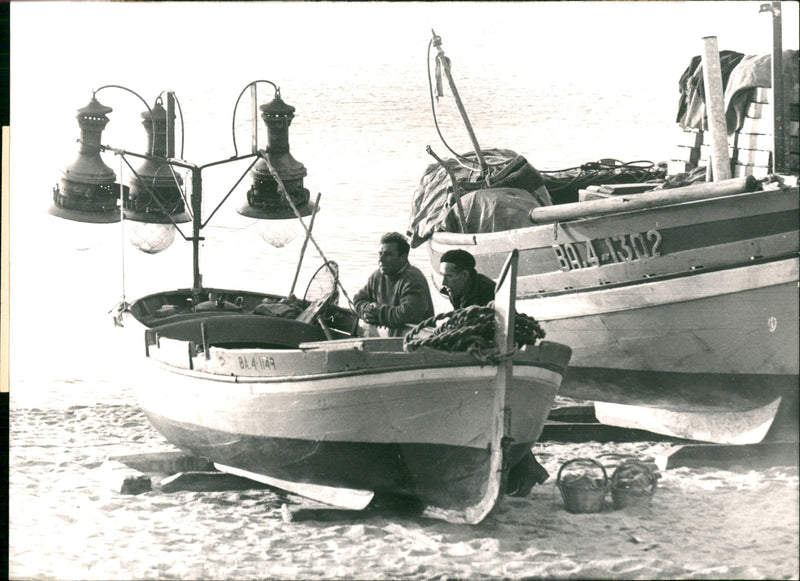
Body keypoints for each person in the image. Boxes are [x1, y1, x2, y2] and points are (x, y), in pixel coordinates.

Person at [353, 232, 435, 335]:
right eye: (380, 253)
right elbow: (358, 299)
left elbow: (408, 313)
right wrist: (365, 310)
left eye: (388, 255)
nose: (381, 260)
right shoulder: (377, 276)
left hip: (416, 342)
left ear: (403, 257)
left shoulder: (413, 279)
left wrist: (378, 313)